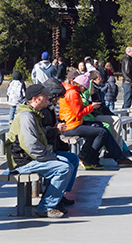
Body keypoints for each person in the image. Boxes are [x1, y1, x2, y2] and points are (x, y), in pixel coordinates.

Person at [6, 83, 79, 218]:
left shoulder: (34, 114)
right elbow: (32, 147)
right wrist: (52, 157)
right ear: (35, 99)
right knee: (63, 168)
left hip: (31, 158)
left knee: (70, 161)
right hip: (22, 162)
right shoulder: (26, 116)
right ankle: (46, 207)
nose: (48, 97)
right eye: (44, 95)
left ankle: (57, 197)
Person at [59, 68, 132, 170]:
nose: (86, 90)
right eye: (85, 88)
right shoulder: (73, 93)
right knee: (101, 132)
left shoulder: (73, 91)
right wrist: (92, 107)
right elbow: (78, 113)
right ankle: (90, 159)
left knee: (100, 127)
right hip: (71, 126)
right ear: (82, 85)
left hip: (75, 123)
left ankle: (116, 157)